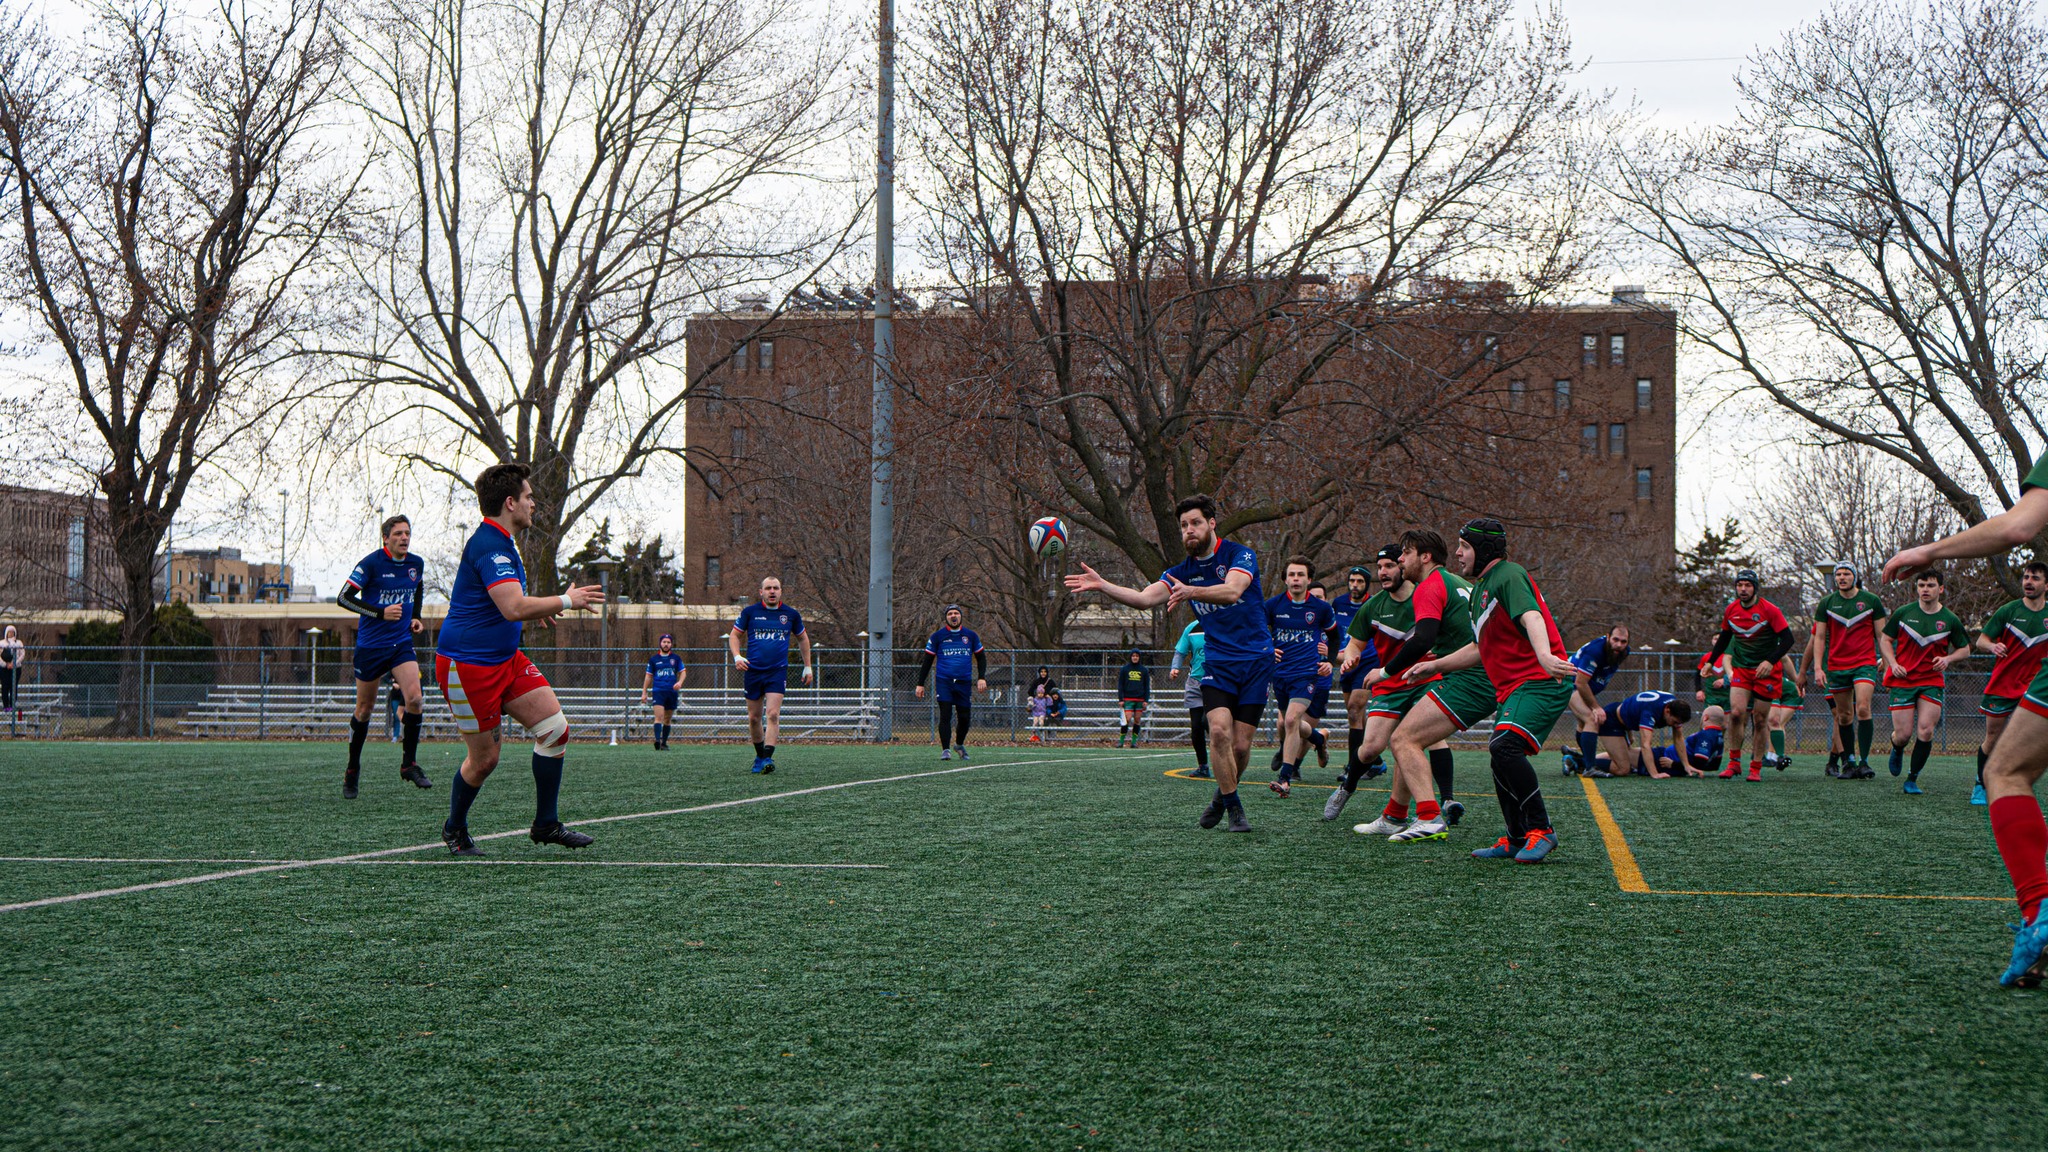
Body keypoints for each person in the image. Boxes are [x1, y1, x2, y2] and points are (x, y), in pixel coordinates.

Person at [1881, 454, 2048, 987]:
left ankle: (2038, 912)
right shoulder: (1920, 615)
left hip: (1965, 682)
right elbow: (1974, 638)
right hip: (1995, 686)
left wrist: (1930, 549)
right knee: (1944, 740)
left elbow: (2019, 525)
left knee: (2005, 771)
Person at [1065, 494, 1273, 833]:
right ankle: (1235, 809)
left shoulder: (1239, 555)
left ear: (1211, 524)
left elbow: (1233, 591)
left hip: (1255, 660)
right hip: (1217, 663)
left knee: (1240, 745)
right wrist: (1103, 586)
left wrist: (1191, 592)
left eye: (1195, 523)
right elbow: (1144, 598)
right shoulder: (1181, 572)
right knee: (1218, 733)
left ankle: (1222, 797)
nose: (1189, 530)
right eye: (1183, 526)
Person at [433, 463, 603, 856]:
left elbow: (508, 604)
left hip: (504, 659)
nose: (533, 503)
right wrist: (565, 601)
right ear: (510, 503)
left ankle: (546, 824)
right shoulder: (490, 543)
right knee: (485, 760)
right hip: (468, 666)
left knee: (555, 729)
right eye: (528, 496)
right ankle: (454, 829)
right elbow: (511, 607)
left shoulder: (503, 541)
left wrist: (535, 607)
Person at [1401, 518, 1576, 864]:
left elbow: (1533, 617)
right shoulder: (1481, 590)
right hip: (1515, 687)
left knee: (1504, 746)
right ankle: (1515, 837)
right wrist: (1434, 665)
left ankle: (1542, 829)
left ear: (1483, 549)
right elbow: (1480, 648)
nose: (1458, 553)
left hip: (1539, 681)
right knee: (1500, 753)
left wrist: (1545, 656)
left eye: (1464, 547)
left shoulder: (1509, 575)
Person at [1350, 529, 1487, 842]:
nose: (1400, 559)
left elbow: (1421, 639)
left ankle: (1428, 818)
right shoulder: (1460, 583)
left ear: (1425, 557)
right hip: (1474, 672)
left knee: (1403, 739)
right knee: (1408, 738)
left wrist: (1386, 671)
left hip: (1471, 678)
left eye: (1406, 553)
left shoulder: (1429, 586)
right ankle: (1394, 816)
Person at [335, 514, 430, 799]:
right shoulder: (371, 563)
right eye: (398, 534)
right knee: (364, 710)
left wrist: (415, 616)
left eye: (407, 533)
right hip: (371, 646)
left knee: (414, 698)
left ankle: (408, 764)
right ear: (386, 538)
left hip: (400, 643)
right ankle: (352, 769)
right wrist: (380, 612)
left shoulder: (416, 564)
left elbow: (418, 587)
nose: (404, 538)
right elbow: (344, 597)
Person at [1325, 546, 1411, 820]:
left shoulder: (1422, 597)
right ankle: (1352, 780)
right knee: (1364, 731)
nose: (1355, 585)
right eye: (1380, 567)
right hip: (1367, 672)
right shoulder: (1357, 605)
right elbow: (1350, 641)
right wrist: (1343, 656)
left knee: (1417, 742)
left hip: (1394, 672)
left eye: (1389, 565)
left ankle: (1442, 803)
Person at [1877, 569, 1969, 794]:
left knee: (1926, 731)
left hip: (1931, 680)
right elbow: (1885, 640)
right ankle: (1897, 747)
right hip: (1903, 679)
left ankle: (1912, 779)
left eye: (1930, 585)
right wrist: (1893, 662)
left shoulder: (1949, 619)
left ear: (1941, 589)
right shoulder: (1903, 613)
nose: (1925, 590)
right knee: (1903, 735)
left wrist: (1948, 658)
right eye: (1921, 585)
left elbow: (1965, 649)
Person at [1705, 569, 1795, 782]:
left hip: (1766, 672)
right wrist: (1710, 662)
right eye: (1739, 585)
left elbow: (1788, 639)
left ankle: (1755, 767)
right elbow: (1724, 638)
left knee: (1760, 718)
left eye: (1747, 585)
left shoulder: (1769, 610)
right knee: (1736, 713)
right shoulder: (1731, 610)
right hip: (1742, 670)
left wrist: (1769, 661)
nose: (1743, 589)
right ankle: (1734, 763)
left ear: (1755, 588)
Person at [1972, 561, 2048, 805]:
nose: (2028, 582)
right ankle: (1980, 785)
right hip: (2003, 684)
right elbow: (1980, 641)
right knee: (1993, 737)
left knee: (2031, 740)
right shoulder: (2009, 611)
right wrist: (1992, 645)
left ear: (2046, 585)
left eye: (2035, 578)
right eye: (2026, 577)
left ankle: (2016, 786)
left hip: (2035, 688)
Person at [1263, 557, 1335, 796]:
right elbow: (1258, 633)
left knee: (1292, 720)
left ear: (1309, 579)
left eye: (1300, 575)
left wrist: (1329, 662)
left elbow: (1335, 636)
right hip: (1280, 674)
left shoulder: (1321, 608)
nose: (1296, 579)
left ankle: (1285, 778)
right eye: (1291, 574)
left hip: (1306, 674)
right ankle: (1318, 738)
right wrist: (1268, 649)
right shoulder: (1272, 606)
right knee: (1287, 722)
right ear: (1285, 579)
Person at [1810, 562, 1887, 778]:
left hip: (1864, 663)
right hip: (1837, 666)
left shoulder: (1871, 601)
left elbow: (1882, 636)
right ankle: (1849, 763)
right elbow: (1818, 637)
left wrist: (1888, 661)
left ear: (1854, 576)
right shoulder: (1826, 603)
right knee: (1844, 716)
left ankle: (1864, 762)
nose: (1842, 577)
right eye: (1839, 574)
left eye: (1847, 574)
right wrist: (1818, 667)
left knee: (1863, 708)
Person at [730, 576, 814, 774]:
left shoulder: (791, 614)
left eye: (776, 587)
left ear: (781, 591)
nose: (772, 591)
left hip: (777, 671)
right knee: (753, 717)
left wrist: (807, 666)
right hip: (753, 671)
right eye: (768, 588)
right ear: (761, 592)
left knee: (773, 714)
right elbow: (734, 635)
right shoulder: (750, 612)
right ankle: (759, 756)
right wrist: (737, 657)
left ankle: (768, 757)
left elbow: (802, 638)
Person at [915, 605, 988, 760]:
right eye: (950, 613)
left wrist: (981, 677)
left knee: (964, 717)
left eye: (956, 613)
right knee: (945, 715)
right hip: (944, 681)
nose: (953, 616)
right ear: (946, 617)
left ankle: (959, 744)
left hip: (964, 682)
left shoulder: (971, 636)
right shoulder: (937, 636)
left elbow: (981, 657)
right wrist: (920, 683)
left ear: (960, 616)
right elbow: (927, 661)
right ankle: (945, 750)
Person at [1328, 565, 1378, 780]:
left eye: (1359, 581)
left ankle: (1355, 767)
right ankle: (1372, 760)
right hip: (1345, 661)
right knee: (1355, 715)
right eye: (1352, 580)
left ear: (1367, 584)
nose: (1355, 585)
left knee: (1354, 709)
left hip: (1367, 661)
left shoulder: (1374, 603)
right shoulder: (1338, 603)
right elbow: (1334, 632)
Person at [1562, 624, 1631, 774]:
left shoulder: (1624, 652)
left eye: (1623, 641)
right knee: (1591, 719)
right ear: (1607, 637)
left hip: (1583, 685)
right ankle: (1589, 768)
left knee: (1583, 723)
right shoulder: (1595, 651)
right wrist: (1596, 707)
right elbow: (1580, 682)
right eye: (1615, 639)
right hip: (1570, 683)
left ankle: (1577, 760)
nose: (1619, 645)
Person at [1585, 690, 1693, 779]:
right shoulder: (1651, 711)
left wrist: (1686, 765)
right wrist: (1654, 773)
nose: (1675, 726)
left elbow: (1678, 738)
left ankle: (1585, 760)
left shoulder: (1674, 706)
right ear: (1667, 711)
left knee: (1624, 754)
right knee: (1623, 769)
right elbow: (1645, 744)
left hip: (1626, 719)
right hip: (1612, 721)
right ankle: (1580, 762)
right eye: (1674, 722)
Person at [1170, 619, 1211, 777]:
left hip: (1215, 682)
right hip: (1195, 683)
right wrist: (1175, 668)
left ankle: (1226, 757)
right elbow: (1180, 652)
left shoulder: (1221, 622)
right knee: (1196, 728)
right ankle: (1203, 766)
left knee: (1207, 721)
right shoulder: (1192, 627)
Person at [640, 633, 687, 750]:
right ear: (660, 643)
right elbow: (648, 676)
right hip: (658, 691)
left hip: (671, 692)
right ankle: (657, 740)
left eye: (668, 642)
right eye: (664, 642)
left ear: (671, 644)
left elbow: (683, 672)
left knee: (667, 719)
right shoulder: (654, 660)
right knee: (659, 717)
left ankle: (664, 743)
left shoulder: (676, 659)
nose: (666, 644)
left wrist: (680, 682)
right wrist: (644, 692)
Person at [1763, 655, 1802, 771]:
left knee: (1777, 723)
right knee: (1771, 724)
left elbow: (1784, 658)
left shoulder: (1772, 680)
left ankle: (1776, 757)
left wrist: (1798, 683)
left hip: (1792, 695)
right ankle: (1771, 756)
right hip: (1781, 695)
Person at [1115, 649, 1153, 747]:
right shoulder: (1125, 669)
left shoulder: (1144, 670)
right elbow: (1120, 685)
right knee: (1127, 719)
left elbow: (1146, 686)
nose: (1135, 657)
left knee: (1137, 720)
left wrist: (1146, 700)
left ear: (1139, 657)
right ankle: (1121, 741)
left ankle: (1134, 742)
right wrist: (1121, 699)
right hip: (1128, 698)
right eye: (1133, 656)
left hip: (1140, 699)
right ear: (1131, 657)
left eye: (1137, 656)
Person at [0, 624, 22, 729]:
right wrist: (6, 664)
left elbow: (22, 654)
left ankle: (13, 705)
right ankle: (6, 706)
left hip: (16, 668)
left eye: (12, 632)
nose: (11, 633)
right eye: (9, 632)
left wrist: (14, 663)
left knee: (14, 686)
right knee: (5, 686)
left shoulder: (18, 643)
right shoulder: (2, 643)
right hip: (4, 669)